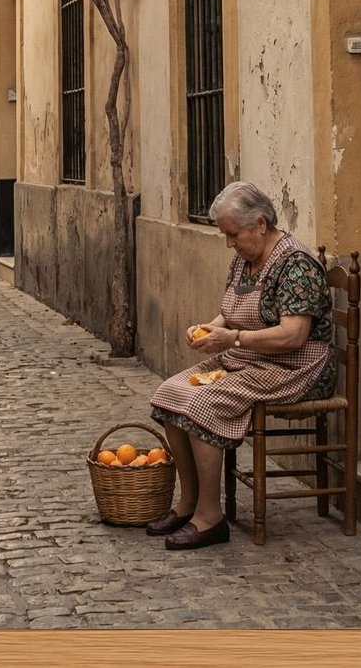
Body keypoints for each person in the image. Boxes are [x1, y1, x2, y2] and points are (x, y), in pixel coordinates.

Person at [147, 180, 336, 550]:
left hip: (294, 367)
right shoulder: (246, 258)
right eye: (226, 235)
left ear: (260, 224)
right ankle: (188, 503)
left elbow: (294, 335)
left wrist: (231, 339)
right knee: (170, 393)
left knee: (204, 403)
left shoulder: (295, 263)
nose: (230, 243)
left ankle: (210, 517)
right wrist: (210, 328)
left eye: (233, 234)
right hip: (249, 358)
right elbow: (230, 312)